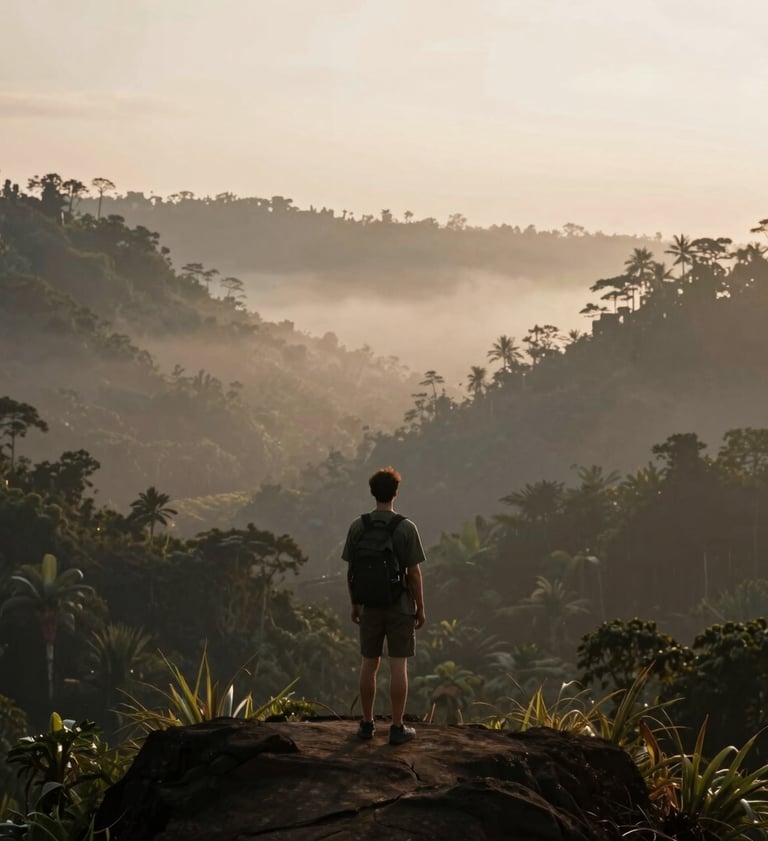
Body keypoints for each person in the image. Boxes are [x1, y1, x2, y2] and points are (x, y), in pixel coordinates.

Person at [342, 466, 426, 745]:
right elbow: (413, 573)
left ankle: (367, 724)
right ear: (395, 493)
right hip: (400, 606)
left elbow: (351, 571)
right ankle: (397, 727)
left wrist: (355, 604)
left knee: (369, 664)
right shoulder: (406, 527)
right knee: (398, 666)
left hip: (368, 606)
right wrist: (420, 607)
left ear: (372, 492)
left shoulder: (358, 526)